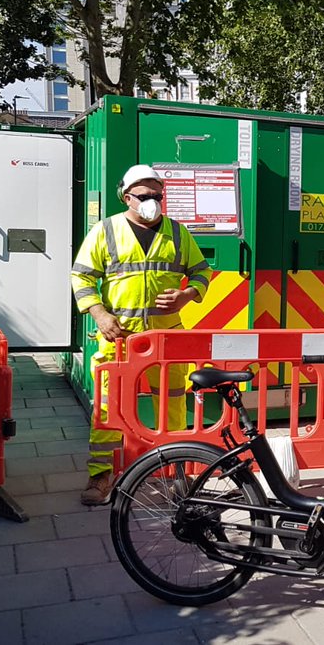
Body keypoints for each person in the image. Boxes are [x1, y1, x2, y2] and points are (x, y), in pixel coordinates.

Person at [70, 165, 212, 505]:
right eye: (145, 196)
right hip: (120, 339)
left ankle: (176, 476)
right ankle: (101, 476)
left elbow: (202, 272)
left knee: (173, 409)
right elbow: (82, 277)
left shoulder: (178, 233)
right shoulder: (105, 231)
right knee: (107, 409)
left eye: (157, 196)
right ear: (127, 197)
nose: (152, 202)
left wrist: (186, 295)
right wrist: (100, 314)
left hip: (167, 341)